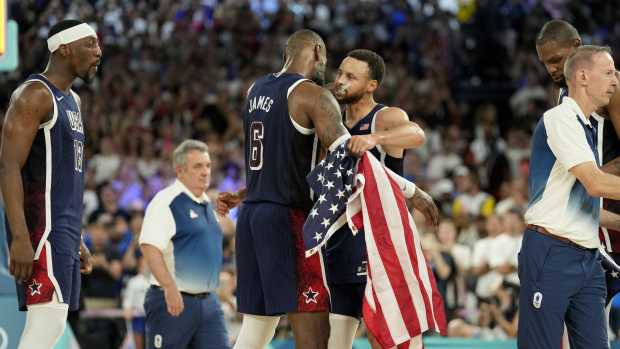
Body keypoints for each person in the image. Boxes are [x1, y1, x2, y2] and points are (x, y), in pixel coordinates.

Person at [216, 29, 376, 349]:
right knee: (313, 324)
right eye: (327, 59)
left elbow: (275, 161)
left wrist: (245, 193)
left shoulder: (255, 89)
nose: (326, 67)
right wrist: (404, 190)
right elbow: (349, 156)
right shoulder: (313, 95)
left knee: (257, 330)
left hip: (252, 216)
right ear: (317, 50)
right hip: (287, 218)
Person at [325, 49, 439, 348]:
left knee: (389, 340)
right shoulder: (330, 121)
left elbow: (416, 134)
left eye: (351, 77)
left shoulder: (384, 117)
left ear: (372, 85)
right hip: (340, 241)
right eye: (340, 73)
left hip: (380, 243)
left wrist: (375, 139)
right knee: (334, 340)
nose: (341, 81)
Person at [0, 19, 100, 349]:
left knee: (51, 324)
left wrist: (78, 238)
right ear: (64, 49)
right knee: (46, 325)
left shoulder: (73, 101)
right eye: (90, 44)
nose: (98, 52)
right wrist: (19, 238)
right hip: (40, 230)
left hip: (64, 229)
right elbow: (9, 166)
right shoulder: (34, 95)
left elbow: (65, 178)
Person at [518, 45, 620, 349]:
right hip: (551, 251)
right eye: (609, 73)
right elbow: (595, 184)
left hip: (587, 256)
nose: (615, 80)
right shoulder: (560, 118)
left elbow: (585, 206)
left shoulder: (590, 128)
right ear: (583, 76)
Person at [536, 19, 620, 305]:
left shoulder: (612, 87)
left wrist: (589, 176)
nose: (551, 68)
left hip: (608, 214)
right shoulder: (563, 94)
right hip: (587, 219)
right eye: (545, 63)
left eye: (556, 59)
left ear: (577, 46)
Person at [139, 140, 229, 349]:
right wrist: (170, 288)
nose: (205, 172)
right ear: (179, 170)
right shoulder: (166, 201)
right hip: (173, 299)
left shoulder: (207, 203)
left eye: (207, 165)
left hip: (209, 303)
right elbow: (149, 246)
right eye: (198, 166)